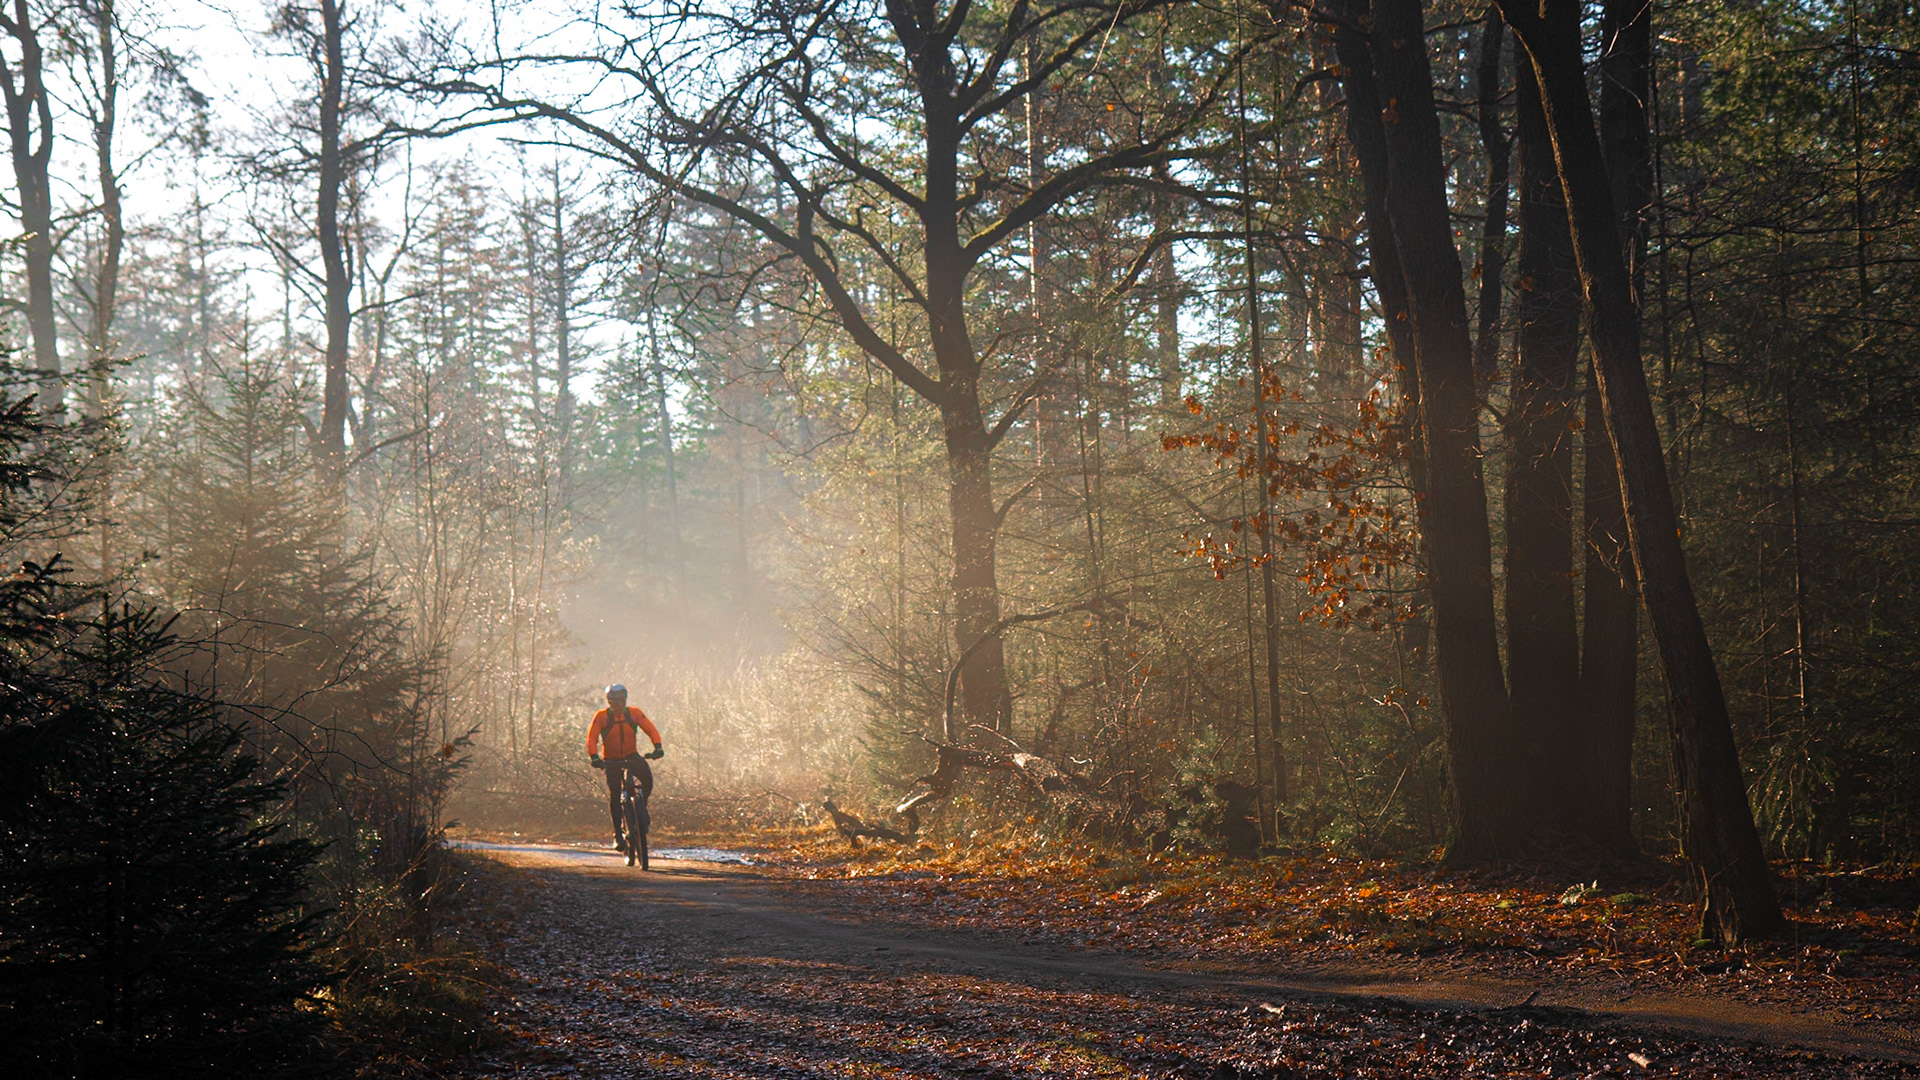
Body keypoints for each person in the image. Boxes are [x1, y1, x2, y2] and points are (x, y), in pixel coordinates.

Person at [585, 683, 664, 851]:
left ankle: (641, 809)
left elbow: (650, 729)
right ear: (609, 702)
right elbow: (592, 738)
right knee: (615, 796)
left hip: (631, 756)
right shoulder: (601, 717)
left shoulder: (633, 714)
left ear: (625, 700)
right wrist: (594, 757)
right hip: (611, 760)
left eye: (620, 701)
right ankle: (618, 834)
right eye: (614, 701)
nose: (618, 705)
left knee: (647, 779)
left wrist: (657, 747)